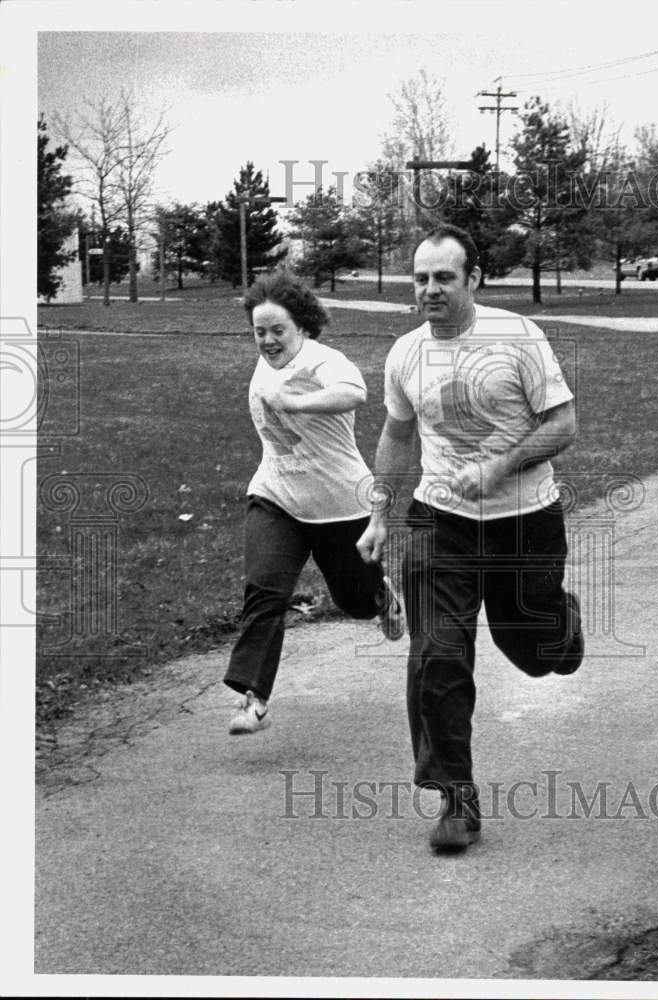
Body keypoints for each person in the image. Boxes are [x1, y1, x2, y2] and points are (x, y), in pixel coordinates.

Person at [357, 224, 584, 852]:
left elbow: (563, 423)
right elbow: (398, 436)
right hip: (440, 522)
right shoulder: (405, 353)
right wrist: (379, 513)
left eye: (443, 278)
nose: (430, 290)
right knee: (437, 657)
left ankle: (561, 626)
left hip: (525, 523)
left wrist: (499, 465)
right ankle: (456, 798)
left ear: (473, 279)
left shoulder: (517, 336)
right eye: (421, 279)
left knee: (540, 654)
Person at [224, 271, 403, 736]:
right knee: (265, 590)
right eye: (259, 331)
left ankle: (382, 594)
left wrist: (297, 404)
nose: (267, 340)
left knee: (357, 603)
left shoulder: (325, 360)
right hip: (276, 496)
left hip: (340, 503)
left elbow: (355, 393)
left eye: (277, 330)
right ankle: (254, 699)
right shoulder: (267, 362)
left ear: (300, 325)